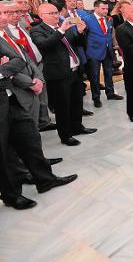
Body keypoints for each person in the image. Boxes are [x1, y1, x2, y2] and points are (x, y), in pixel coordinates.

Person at [0, 37, 77, 210]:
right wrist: (4, 70)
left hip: (12, 100)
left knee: (30, 140)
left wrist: (4, 69)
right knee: (4, 154)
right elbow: (10, 67)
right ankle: (12, 196)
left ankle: (45, 180)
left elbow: (19, 60)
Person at [31, 3, 97, 146]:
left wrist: (80, 32)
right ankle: (66, 136)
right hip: (58, 75)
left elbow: (77, 43)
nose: (56, 15)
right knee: (63, 107)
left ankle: (77, 127)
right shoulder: (37, 30)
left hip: (74, 70)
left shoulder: (63, 26)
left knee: (77, 102)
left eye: (56, 12)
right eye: (52, 13)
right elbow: (45, 45)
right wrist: (60, 30)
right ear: (41, 16)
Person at [5, 0, 55, 132]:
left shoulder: (24, 27)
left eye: (18, 12)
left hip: (37, 64)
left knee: (43, 95)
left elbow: (29, 50)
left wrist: (37, 71)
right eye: (11, 13)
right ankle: (33, 128)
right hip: (21, 74)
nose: (17, 15)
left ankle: (44, 121)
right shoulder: (6, 33)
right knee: (29, 103)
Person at [83, 0, 123, 107]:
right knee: (94, 76)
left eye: (106, 9)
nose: (106, 11)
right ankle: (96, 98)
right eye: (103, 9)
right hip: (93, 52)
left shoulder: (109, 19)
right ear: (96, 8)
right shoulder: (87, 20)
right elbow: (83, 36)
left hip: (108, 50)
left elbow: (109, 34)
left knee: (109, 73)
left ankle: (110, 93)